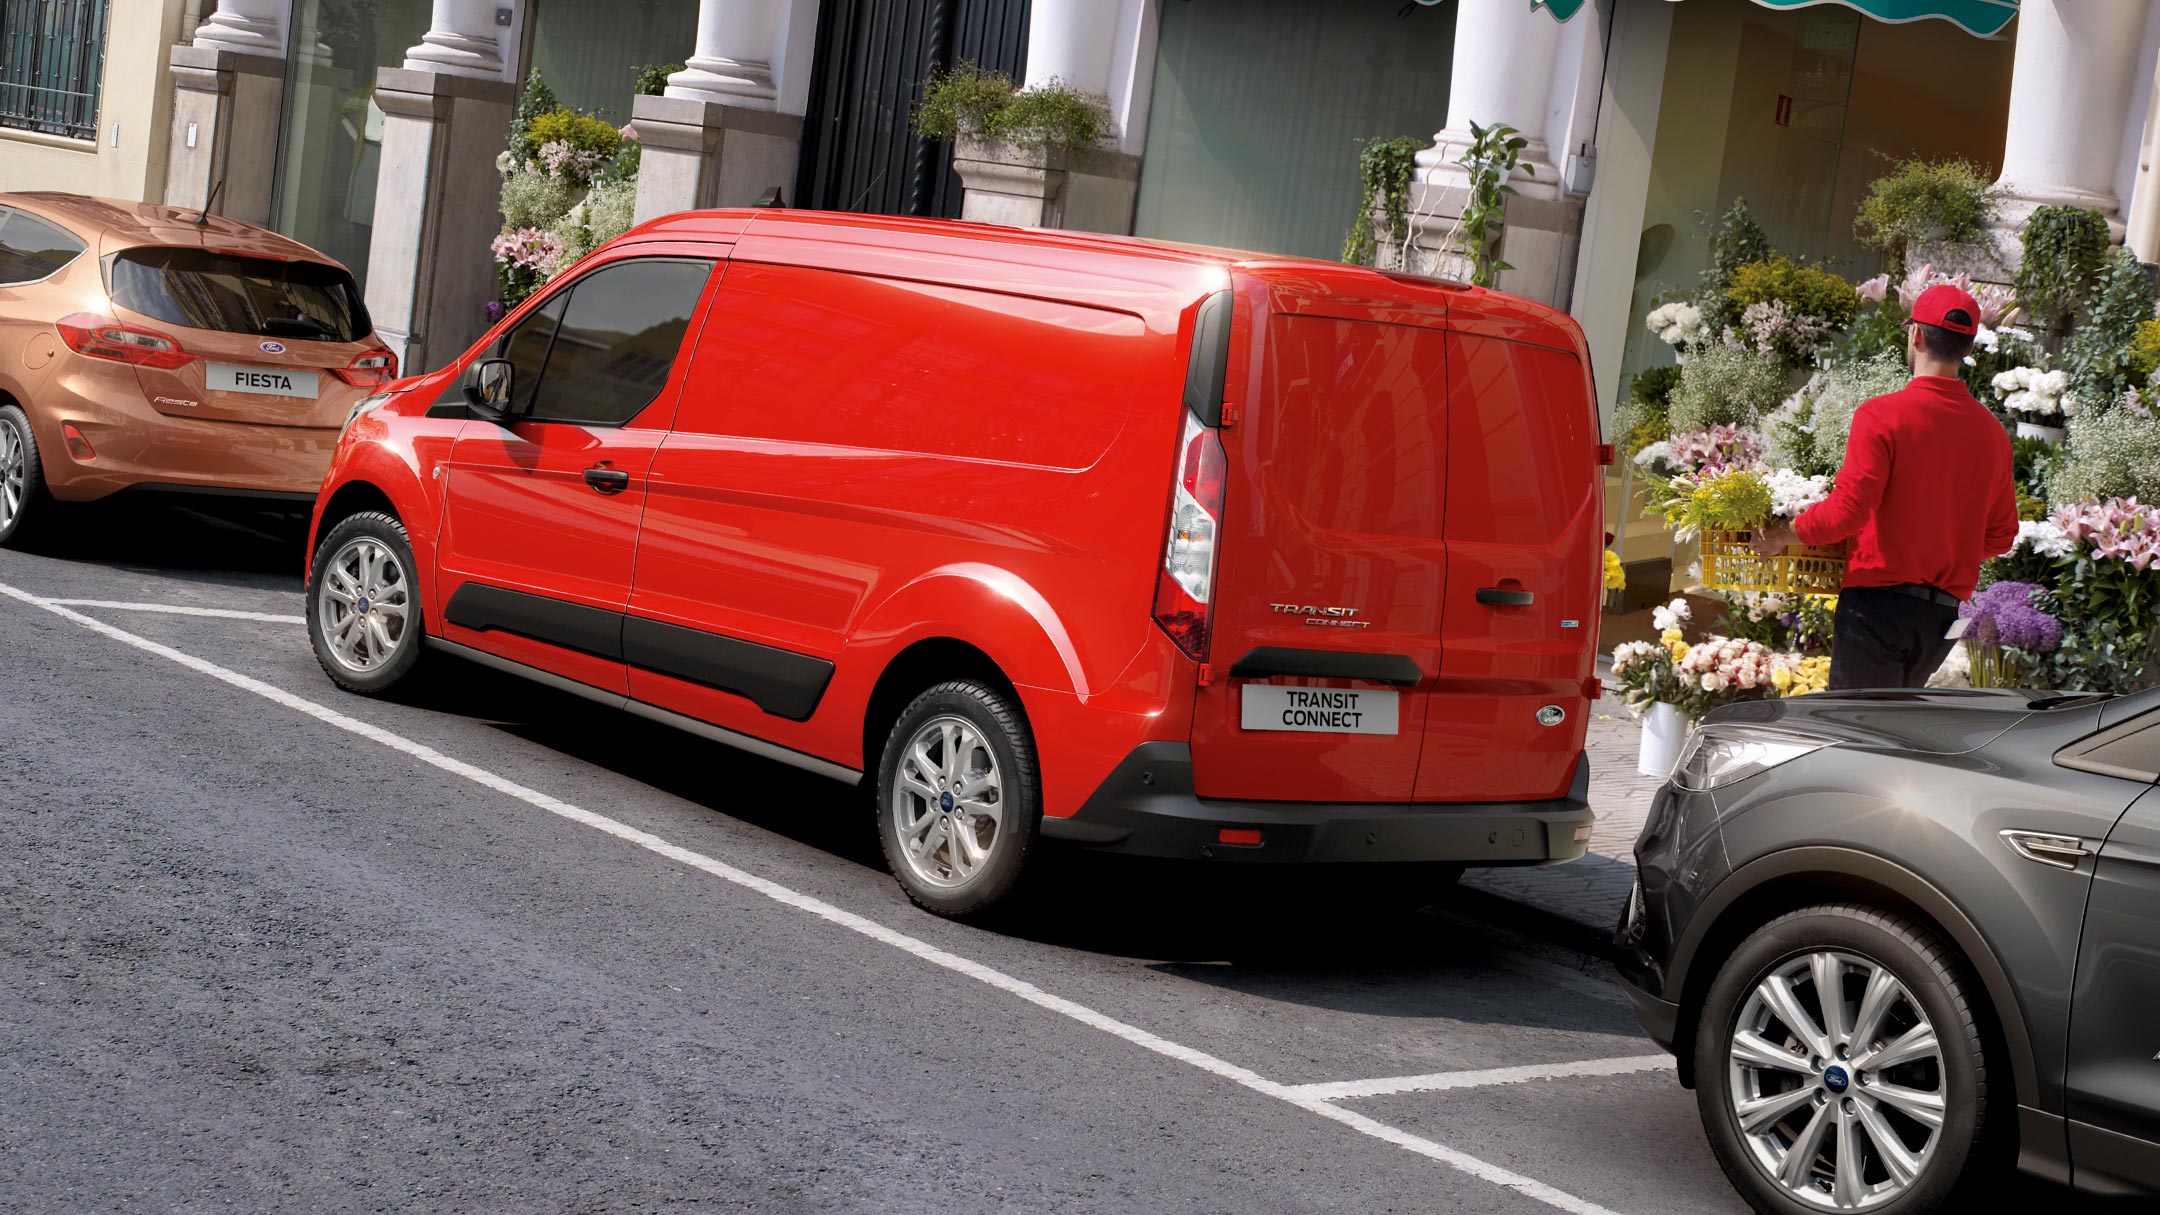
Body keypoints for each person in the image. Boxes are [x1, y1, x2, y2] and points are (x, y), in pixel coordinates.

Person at [1751, 283, 2020, 691]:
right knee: (1890, 735)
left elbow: (1847, 512)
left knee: (1856, 738)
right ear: (1967, 350)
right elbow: (2001, 536)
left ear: (1916, 335)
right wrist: (1944, 544)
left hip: (1877, 609)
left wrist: (1783, 536)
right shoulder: (1994, 436)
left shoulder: (1882, 415)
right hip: (1940, 620)